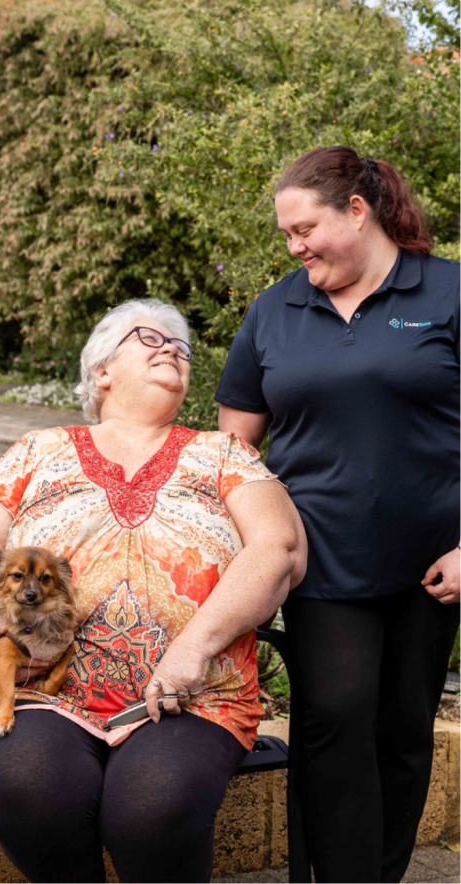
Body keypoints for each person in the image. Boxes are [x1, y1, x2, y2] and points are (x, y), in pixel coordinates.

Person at [0, 298, 306, 884]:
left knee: (151, 810)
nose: (173, 351)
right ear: (101, 371)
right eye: (151, 339)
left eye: (182, 349)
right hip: (45, 690)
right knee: (30, 788)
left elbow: (279, 549)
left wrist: (194, 649)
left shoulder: (223, 454)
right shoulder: (38, 451)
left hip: (191, 696)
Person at [216, 146, 460, 884]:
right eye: (285, 235)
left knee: (402, 733)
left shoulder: (446, 292)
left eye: (304, 229)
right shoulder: (276, 307)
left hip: (430, 565)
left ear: (357, 211)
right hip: (314, 558)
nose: (294, 247)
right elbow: (232, 447)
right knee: (335, 719)